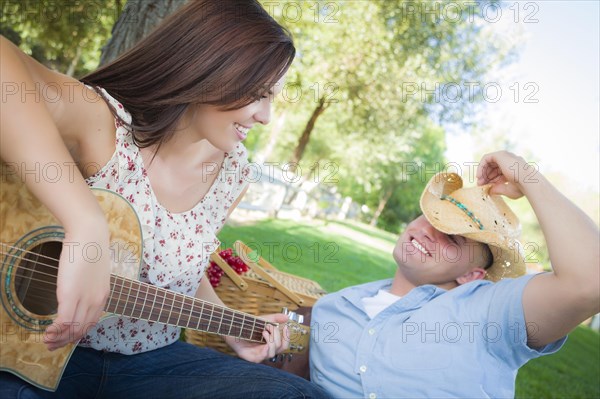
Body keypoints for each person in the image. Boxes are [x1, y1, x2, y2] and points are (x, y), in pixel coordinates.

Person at [0, 1, 330, 398]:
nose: (266, 117)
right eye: (258, 94)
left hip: (151, 362)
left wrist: (231, 327)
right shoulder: (104, 124)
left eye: (272, 98)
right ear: (207, 70)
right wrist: (85, 224)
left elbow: (178, 272)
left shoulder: (233, 173)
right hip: (33, 352)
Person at [309, 151, 599, 398]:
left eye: (453, 238)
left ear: (472, 275)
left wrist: (525, 174)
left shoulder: (489, 311)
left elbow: (589, 281)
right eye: (433, 216)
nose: (428, 231)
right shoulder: (333, 306)